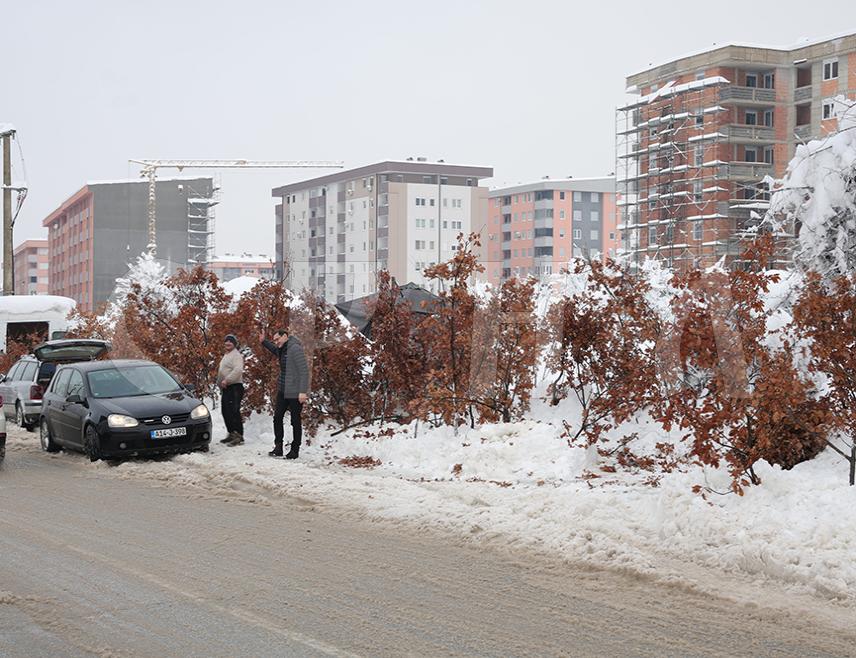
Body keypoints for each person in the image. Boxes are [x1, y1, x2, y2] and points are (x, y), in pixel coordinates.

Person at [259, 328, 309, 459]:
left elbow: (304, 371)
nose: (276, 342)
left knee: (295, 421)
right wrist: (264, 341)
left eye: (278, 339)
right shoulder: (282, 348)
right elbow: (274, 350)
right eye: (274, 340)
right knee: (277, 418)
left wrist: (303, 391)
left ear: (285, 336)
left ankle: (295, 450)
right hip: (283, 389)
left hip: (295, 391)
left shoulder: (295, 349)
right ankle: (278, 447)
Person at [217, 334, 245, 446]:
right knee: (226, 411)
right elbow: (222, 370)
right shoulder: (227, 355)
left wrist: (227, 380)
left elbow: (238, 370)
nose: (228, 343)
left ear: (234, 344)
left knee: (234, 411)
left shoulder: (236, 355)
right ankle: (231, 433)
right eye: (226, 341)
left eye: (230, 342)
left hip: (235, 387)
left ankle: (239, 435)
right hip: (226, 388)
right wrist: (220, 383)